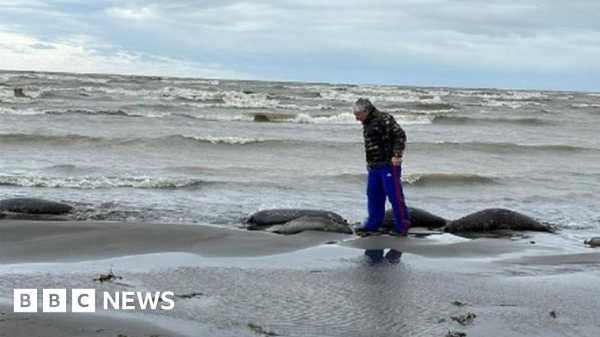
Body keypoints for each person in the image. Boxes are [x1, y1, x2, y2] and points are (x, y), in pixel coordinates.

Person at [353, 98, 411, 236]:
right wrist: (369, 164)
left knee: (394, 196)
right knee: (373, 195)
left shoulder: (384, 118)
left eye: (358, 115)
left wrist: (397, 155)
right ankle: (372, 226)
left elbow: (400, 135)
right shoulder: (366, 123)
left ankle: (402, 226)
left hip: (389, 165)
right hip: (374, 167)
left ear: (366, 111)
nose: (356, 119)